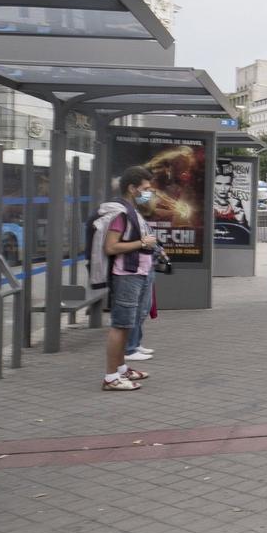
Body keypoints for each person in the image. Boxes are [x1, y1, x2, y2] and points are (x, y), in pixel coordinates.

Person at [95, 167, 161, 390]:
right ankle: (111, 377)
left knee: (127, 325)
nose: (148, 193)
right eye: (145, 189)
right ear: (132, 188)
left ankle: (122, 369)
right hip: (127, 275)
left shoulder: (131, 210)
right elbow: (111, 247)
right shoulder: (121, 213)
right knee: (121, 326)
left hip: (137, 273)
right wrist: (143, 243)